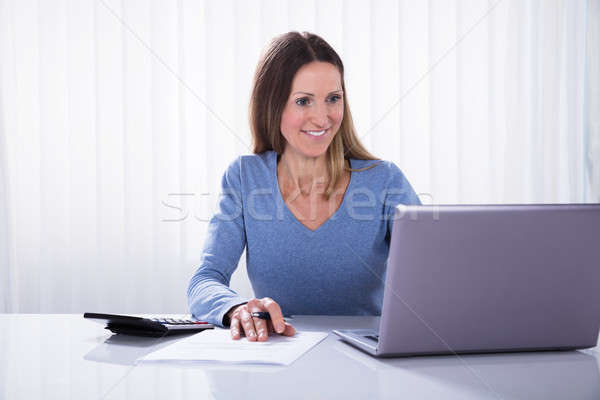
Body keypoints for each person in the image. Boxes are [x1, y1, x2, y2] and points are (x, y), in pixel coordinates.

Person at [187, 31, 421, 342]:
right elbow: (205, 280)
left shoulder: (384, 180)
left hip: (368, 359)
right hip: (278, 357)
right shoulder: (245, 177)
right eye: (303, 101)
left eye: (333, 99)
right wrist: (236, 308)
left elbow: (434, 276)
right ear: (274, 105)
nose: (322, 118)